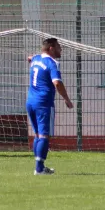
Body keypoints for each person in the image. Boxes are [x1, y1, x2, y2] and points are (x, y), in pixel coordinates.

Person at [26, 38, 73, 175]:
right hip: (44, 103)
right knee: (44, 135)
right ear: (51, 48)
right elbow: (57, 83)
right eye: (59, 46)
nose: (61, 49)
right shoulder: (53, 63)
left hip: (30, 102)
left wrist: (31, 59)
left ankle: (40, 166)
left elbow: (30, 58)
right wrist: (67, 99)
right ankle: (39, 168)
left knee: (37, 134)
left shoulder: (36, 59)